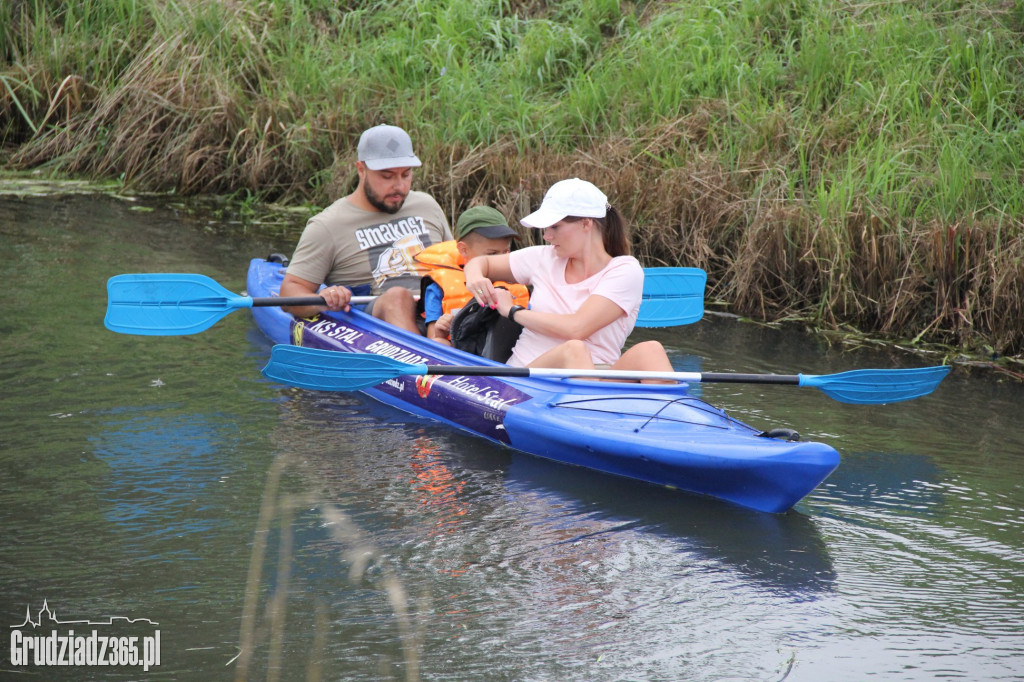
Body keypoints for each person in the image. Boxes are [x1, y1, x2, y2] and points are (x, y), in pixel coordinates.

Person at [462, 178, 673, 374]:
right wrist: (474, 277)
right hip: (529, 378)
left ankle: (670, 412)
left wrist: (513, 311)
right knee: (573, 351)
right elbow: (481, 263)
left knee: (651, 350)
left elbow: (576, 328)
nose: (546, 236)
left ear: (586, 224)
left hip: (595, 379)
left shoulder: (625, 271)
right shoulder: (542, 257)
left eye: (555, 226)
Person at [280, 124, 451, 333]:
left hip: (440, 309)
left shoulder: (427, 205)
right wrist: (323, 299)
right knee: (397, 296)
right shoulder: (327, 225)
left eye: (406, 175)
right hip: (377, 319)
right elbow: (290, 292)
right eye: (387, 176)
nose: (399, 186)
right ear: (361, 169)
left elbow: (457, 263)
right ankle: (429, 358)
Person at [414, 205, 530, 346]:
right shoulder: (438, 286)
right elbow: (433, 338)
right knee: (439, 342)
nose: (499, 260)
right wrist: (441, 331)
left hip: (511, 354)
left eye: (505, 252)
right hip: (464, 357)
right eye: (492, 254)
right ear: (463, 250)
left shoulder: (521, 278)